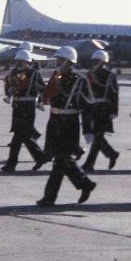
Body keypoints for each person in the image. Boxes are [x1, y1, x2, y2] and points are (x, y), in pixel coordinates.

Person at [37, 46, 97, 206]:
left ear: (70, 62)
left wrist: (88, 130)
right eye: (58, 59)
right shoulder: (56, 77)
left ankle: (49, 198)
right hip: (55, 121)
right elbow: (47, 94)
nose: (58, 62)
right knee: (63, 160)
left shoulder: (80, 80)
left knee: (60, 161)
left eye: (61, 60)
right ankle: (86, 184)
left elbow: (88, 106)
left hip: (69, 123)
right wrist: (42, 100)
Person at [1, 49, 47, 172]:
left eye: (22, 61)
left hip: (28, 106)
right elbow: (7, 88)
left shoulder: (34, 73)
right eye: (18, 61)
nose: (20, 63)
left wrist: (41, 101)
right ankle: (40, 157)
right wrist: (11, 90)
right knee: (25, 136)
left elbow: (42, 88)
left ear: (27, 62)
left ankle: (11, 164)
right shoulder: (12, 73)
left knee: (19, 135)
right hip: (17, 106)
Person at [82, 48, 120, 171]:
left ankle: (89, 163)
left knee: (98, 136)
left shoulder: (110, 75)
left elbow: (114, 93)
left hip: (103, 108)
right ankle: (112, 154)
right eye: (94, 60)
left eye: (97, 60)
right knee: (96, 136)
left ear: (103, 62)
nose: (94, 63)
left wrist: (114, 111)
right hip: (92, 107)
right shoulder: (90, 73)